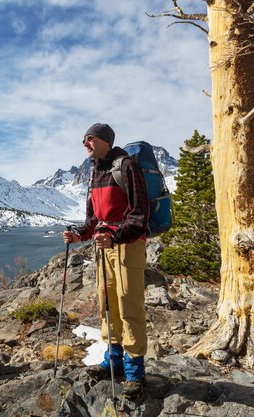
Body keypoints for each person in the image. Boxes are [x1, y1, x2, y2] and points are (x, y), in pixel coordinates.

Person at [63, 123, 148, 399]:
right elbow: (93, 219)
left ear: (105, 141)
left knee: (128, 304)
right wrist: (79, 236)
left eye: (90, 138)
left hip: (127, 246)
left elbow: (139, 213)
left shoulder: (125, 166)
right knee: (107, 303)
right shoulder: (95, 172)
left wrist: (116, 236)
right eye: (84, 139)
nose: (85, 143)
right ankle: (113, 360)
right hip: (103, 247)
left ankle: (135, 371)